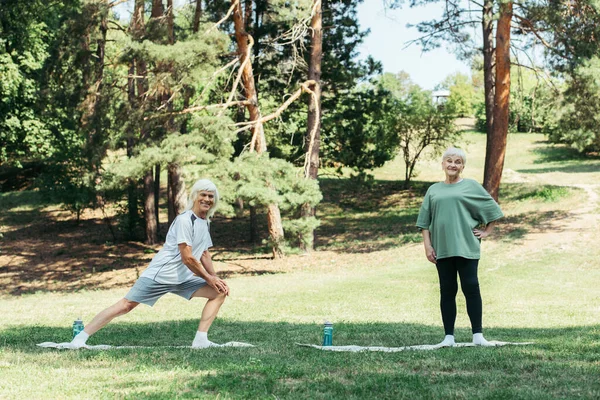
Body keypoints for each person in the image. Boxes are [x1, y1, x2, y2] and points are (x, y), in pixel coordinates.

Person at [70, 179, 230, 349]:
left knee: (219, 292)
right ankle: (80, 338)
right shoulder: (185, 220)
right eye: (203, 195)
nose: (207, 199)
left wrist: (214, 278)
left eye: (210, 196)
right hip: (161, 275)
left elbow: (204, 252)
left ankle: (201, 340)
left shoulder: (204, 221)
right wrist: (208, 278)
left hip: (182, 277)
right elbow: (188, 258)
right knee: (126, 305)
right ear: (195, 196)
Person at [416, 147, 503, 347]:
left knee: (471, 287)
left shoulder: (471, 186)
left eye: (457, 162)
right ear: (443, 164)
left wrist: (487, 231)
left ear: (462, 166)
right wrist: (428, 247)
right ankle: (448, 337)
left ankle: (478, 336)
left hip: (466, 246)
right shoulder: (434, 190)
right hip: (442, 248)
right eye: (449, 161)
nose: (453, 165)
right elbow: (424, 222)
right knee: (447, 290)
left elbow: (493, 210)